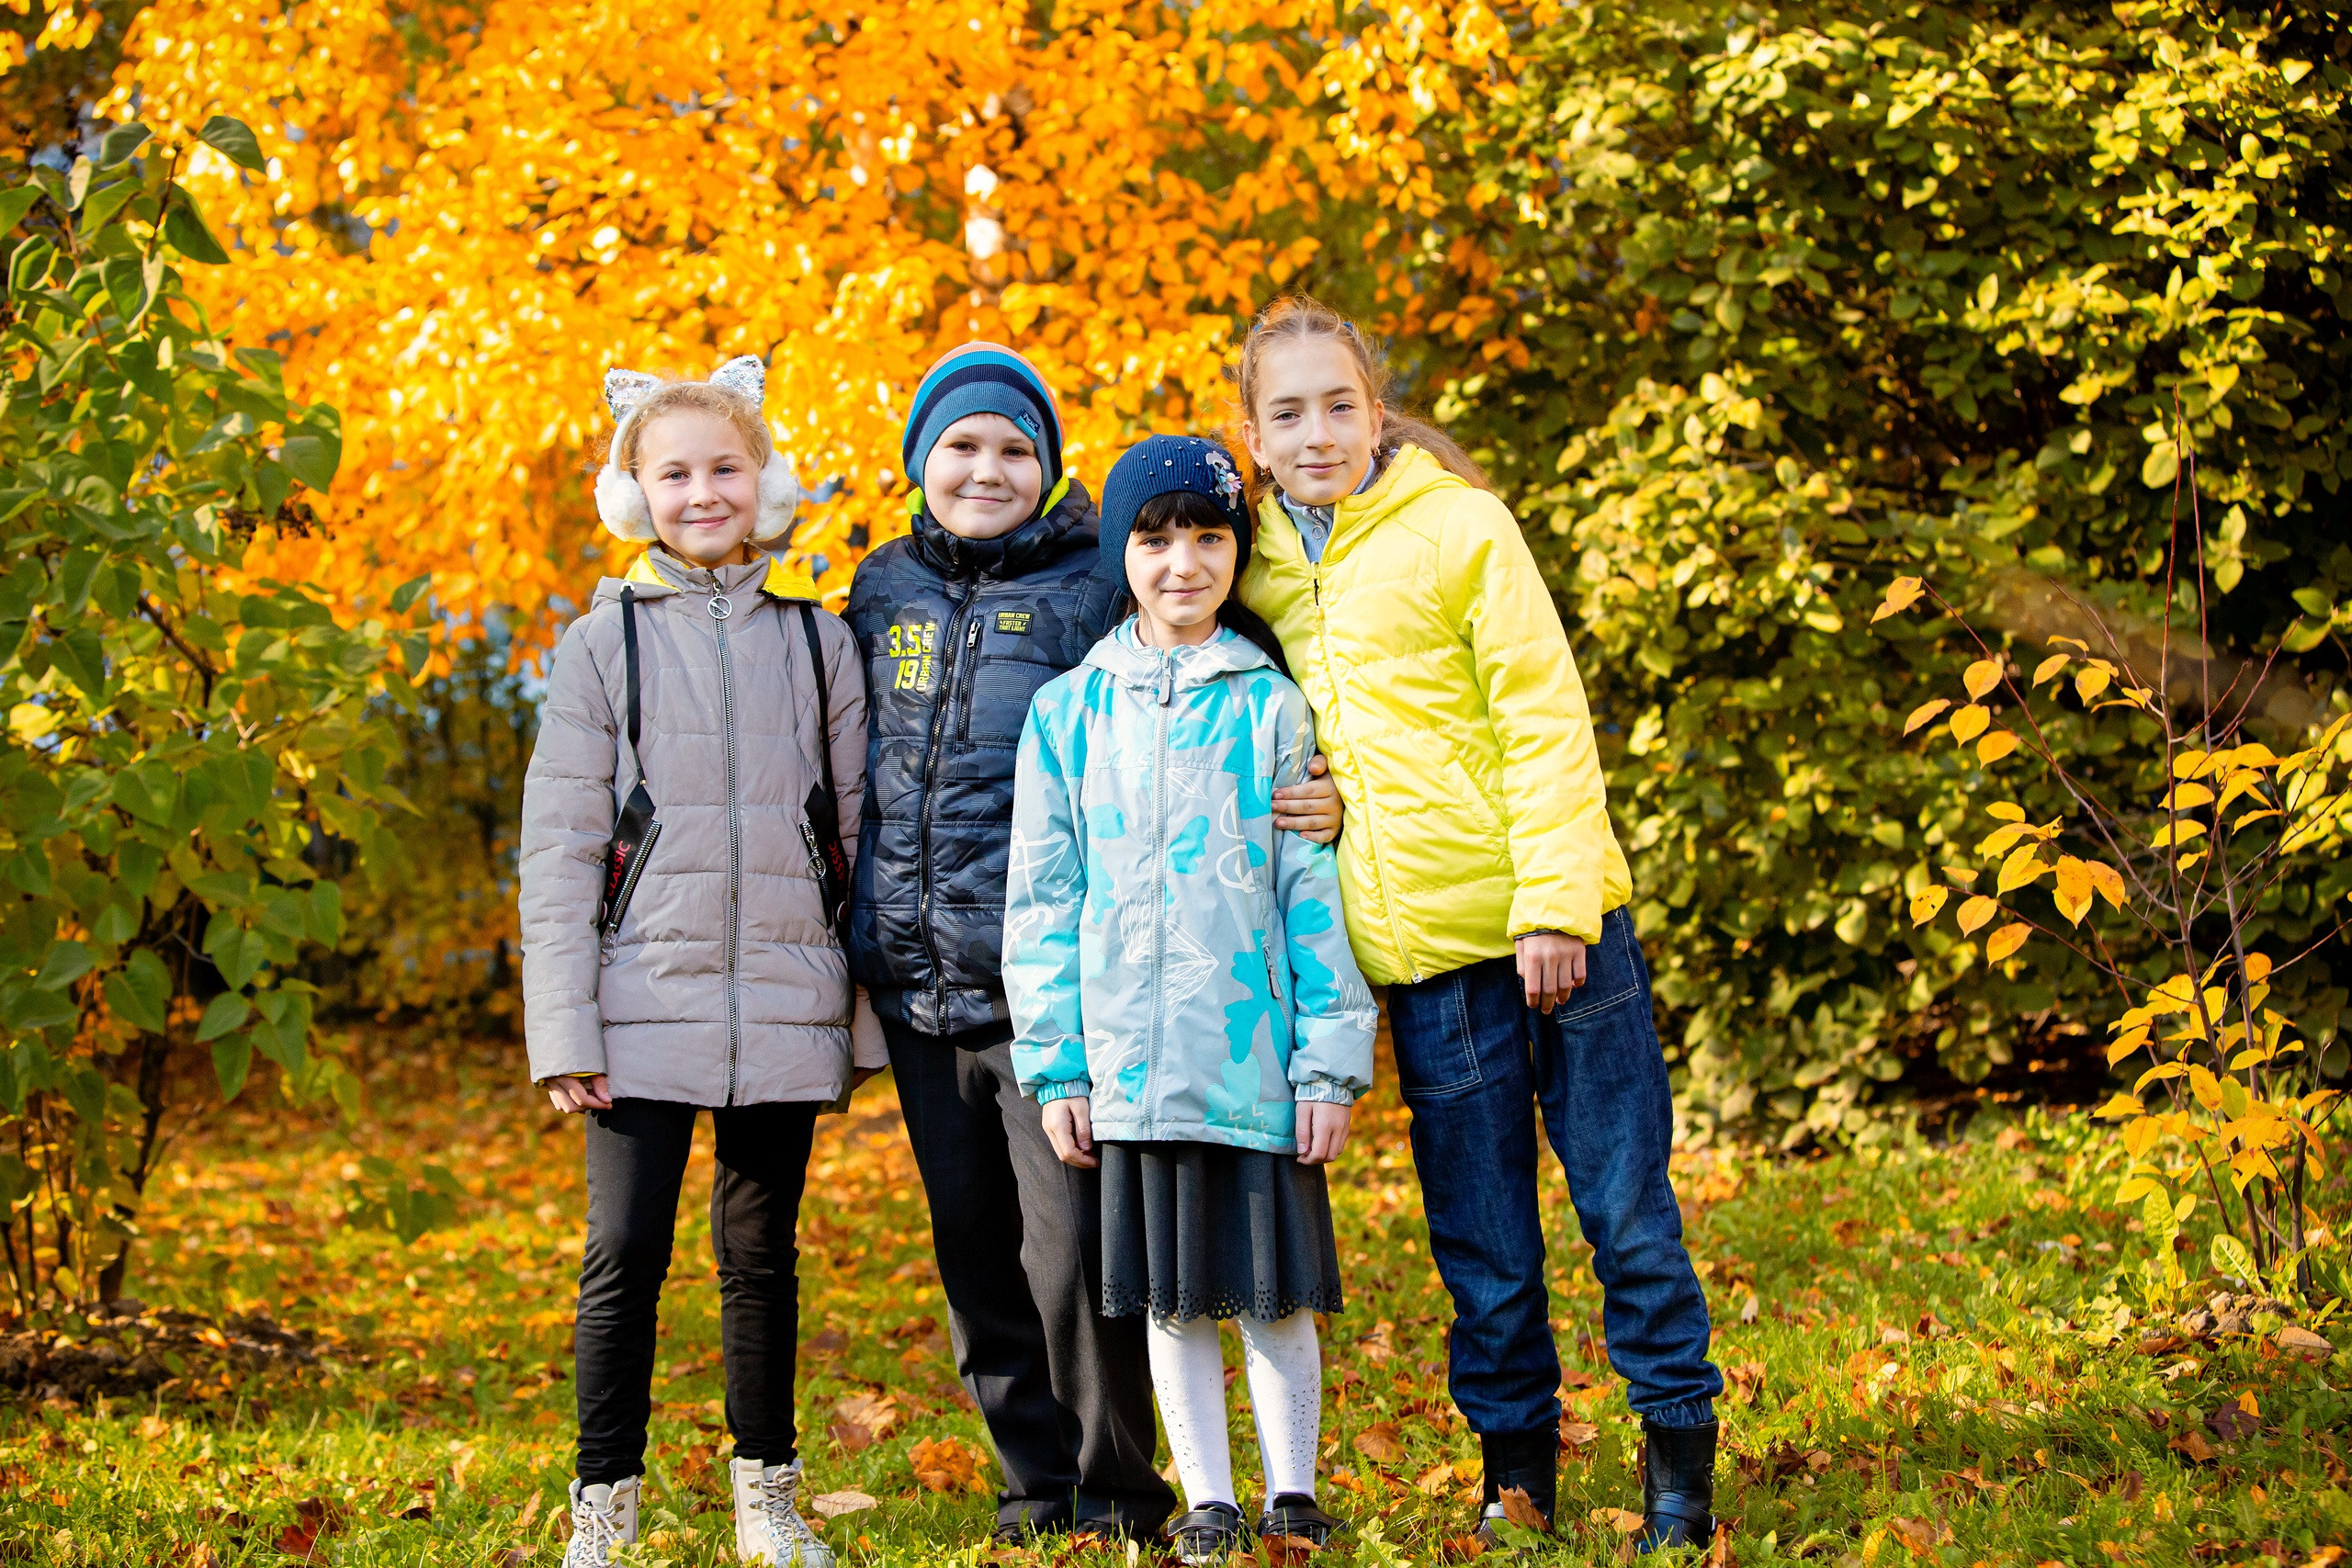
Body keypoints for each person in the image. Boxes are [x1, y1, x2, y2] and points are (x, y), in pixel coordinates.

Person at [1230, 297, 1725, 1552]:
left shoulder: (1459, 526)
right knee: (1484, 1243)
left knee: (1625, 1207)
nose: (1318, 429)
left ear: (1377, 410)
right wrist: (1326, 793)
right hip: (1426, 963)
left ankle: (1679, 1465)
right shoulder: (1260, 567)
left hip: (1559, 934)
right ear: (1255, 429)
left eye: (1339, 404)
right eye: (1288, 412)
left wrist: (1555, 900)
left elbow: (1542, 717)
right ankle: (1517, 1473)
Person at [843, 348, 1346, 1543]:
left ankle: (1126, 1485)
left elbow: (1249, 664)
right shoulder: (878, 587)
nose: (987, 468)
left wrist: (1330, 793)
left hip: (1070, 996)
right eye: (962, 445)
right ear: (920, 461)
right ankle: (1035, 1484)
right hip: (922, 978)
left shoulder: (1092, 580)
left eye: (1014, 446)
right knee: (975, 1257)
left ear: (1051, 467)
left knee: (1079, 1258)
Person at [519, 357, 879, 1568]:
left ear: (764, 482)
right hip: (637, 1003)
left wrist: (857, 1014)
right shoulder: (600, 644)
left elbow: (857, 831)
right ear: (636, 492)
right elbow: (561, 844)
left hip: (785, 998)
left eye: (724, 467)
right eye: (673, 472)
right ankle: (602, 1505)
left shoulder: (820, 644)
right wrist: (565, 1028)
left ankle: (767, 1503)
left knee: (759, 1257)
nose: (702, 492)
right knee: (623, 1256)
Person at [1006, 434, 1376, 1566]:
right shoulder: (1068, 714)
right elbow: (1042, 901)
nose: (1182, 561)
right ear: (1122, 551)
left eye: (1208, 537)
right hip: (1127, 1068)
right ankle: (1208, 1501)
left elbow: (1310, 895)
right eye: (1156, 538)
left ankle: (1293, 1493)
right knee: (1171, 1300)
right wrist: (1057, 1066)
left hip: (1252, 1059)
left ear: (1235, 551)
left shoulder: (1271, 706)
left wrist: (1328, 1062)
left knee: (1271, 1295)